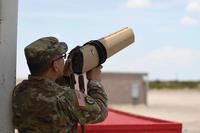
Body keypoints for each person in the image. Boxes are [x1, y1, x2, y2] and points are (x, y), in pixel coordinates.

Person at [12, 37, 108, 133]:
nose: (64, 60)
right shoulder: (68, 97)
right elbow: (100, 113)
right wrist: (95, 82)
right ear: (55, 65)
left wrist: (65, 77)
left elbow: (50, 93)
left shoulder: (18, 91)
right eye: (62, 57)